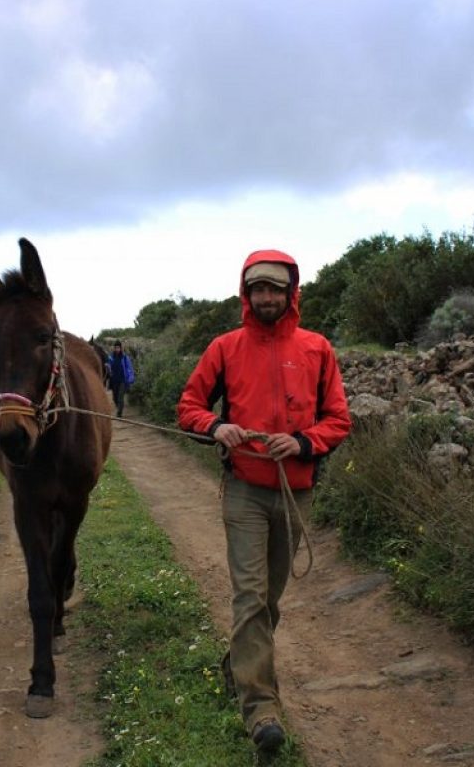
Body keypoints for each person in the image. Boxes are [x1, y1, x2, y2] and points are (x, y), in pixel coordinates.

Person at [177, 250, 351, 753]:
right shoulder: (225, 348)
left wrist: (301, 442)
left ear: (291, 293)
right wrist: (216, 426)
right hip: (245, 492)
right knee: (250, 597)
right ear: (246, 294)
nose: (268, 297)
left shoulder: (318, 349)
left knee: (270, 599)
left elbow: (338, 419)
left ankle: (238, 662)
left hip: (295, 495)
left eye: (276, 288)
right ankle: (261, 711)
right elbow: (188, 406)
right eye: (259, 289)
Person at [107, 340, 135, 417]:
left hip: (123, 380)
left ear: (121, 348)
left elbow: (130, 369)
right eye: (116, 348)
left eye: (118, 348)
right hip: (114, 381)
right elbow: (108, 367)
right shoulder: (111, 358)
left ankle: (119, 413)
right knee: (114, 398)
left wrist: (131, 378)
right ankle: (119, 407)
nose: (117, 349)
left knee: (120, 397)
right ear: (114, 348)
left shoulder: (125, 358)